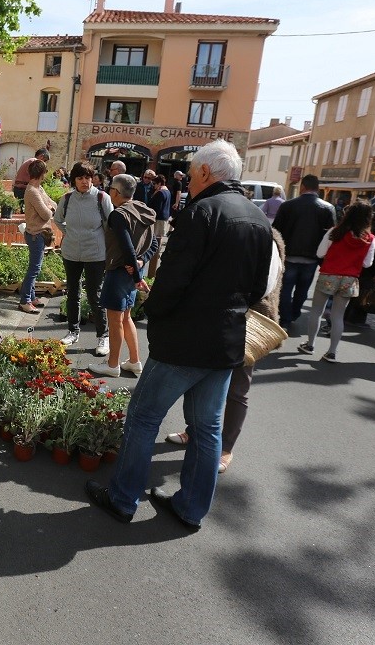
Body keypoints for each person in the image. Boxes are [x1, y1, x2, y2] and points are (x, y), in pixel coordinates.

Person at [85, 139, 273, 532]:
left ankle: (123, 499)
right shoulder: (258, 218)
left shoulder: (201, 212)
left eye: (192, 170)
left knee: (143, 417)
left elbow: (172, 279)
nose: (188, 176)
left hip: (185, 340)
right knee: (208, 429)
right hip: (226, 341)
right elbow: (259, 288)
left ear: (206, 171)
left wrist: (155, 312)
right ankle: (191, 508)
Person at [166, 229, 286, 473]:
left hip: (250, 320)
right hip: (219, 317)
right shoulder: (231, 232)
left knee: (238, 388)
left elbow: (265, 286)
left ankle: (226, 447)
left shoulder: (267, 239)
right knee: (201, 378)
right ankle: (193, 432)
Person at [87, 174, 158, 378]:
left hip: (119, 271)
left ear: (116, 192)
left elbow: (127, 247)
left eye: (111, 190)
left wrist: (136, 275)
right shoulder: (142, 210)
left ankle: (112, 365)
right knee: (126, 317)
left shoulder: (119, 214)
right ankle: (134, 361)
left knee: (116, 319)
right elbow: (153, 243)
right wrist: (141, 263)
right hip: (133, 270)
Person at [296, 200, 375, 363]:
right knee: (338, 316)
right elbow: (368, 263)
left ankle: (310, 345)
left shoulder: (335, 232)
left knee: (317, 311)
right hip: (350, 278)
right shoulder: (370, 238)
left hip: (329, 274)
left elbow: (319, 253)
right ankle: (332, 352)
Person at [54, 161, 114, 354]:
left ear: (92, 178)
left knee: (95, 295)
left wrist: (99, 240)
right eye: (80, 178)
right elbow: (57, 219)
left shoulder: (101, 198)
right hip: (71, 252)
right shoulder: (67, 198)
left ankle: (102, 337)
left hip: (95, 254)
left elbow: (109, 224)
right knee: (72, 293)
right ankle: (73, 331)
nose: (84, 182)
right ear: (74, 180)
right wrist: (69, 233)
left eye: (88, 177)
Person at [273, 174, 336, 329]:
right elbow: (331, 237)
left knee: (285, 289)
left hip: (289, 255)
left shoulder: (288, 206)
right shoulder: (328, 208)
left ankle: (286, 318)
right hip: (312, 258)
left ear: (302, 187)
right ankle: (294, 313)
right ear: (318, 188)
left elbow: (276, 230)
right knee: (303, 289)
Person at [19, 158, 58, 314]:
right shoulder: (33, 192)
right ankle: (25, 301)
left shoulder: (39, 189)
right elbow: (46, 213)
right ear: (42, 173)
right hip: (36, 235)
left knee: (35, 267)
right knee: (34, 269)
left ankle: (32, 296)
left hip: (38, 234)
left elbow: (53, 204)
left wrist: (50, 208)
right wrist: (50, 209)